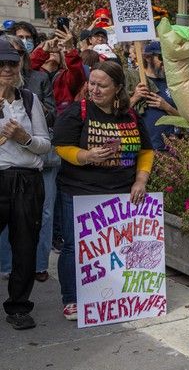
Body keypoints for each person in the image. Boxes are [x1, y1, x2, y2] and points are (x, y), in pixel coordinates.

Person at [53, 61, 153, 321]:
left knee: (115, 247)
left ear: (118, 88)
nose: (94, 89)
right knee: (74, 247)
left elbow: (146, 151)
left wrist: (140, 181)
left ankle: (112, 294)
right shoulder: (78, 112)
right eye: (92, 83)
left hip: (120, 192)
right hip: (79, 191)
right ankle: (72, 298)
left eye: (102, 85)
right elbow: (61, 147)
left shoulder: (130, 115)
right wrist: (86, 155)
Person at [0, 38, 52, 329]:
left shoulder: (28, 99)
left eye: (12, 62)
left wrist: (25, 139)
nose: (7, 69)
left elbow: (45, 145)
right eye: (1, 64)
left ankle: (18, 306)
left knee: (24, 245)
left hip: (28, 181)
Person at [130, 40, 180, 150]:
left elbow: (183, 119)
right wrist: (135, 97)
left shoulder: (172, 84)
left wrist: (167, 107)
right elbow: (119, 112)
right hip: (142, 149)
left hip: (168, 151)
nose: (165, 62)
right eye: (161, 57)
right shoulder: (134, 80)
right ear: (148, 57)